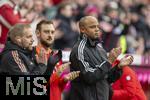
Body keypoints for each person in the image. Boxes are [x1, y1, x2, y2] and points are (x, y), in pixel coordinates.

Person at [69, 16, 134, 100]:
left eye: (97, 26)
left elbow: (106, 79)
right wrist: (109, 61)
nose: (97, 29)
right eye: (92, 27)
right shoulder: (79, 50)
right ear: (82, 30)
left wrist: (118, 67)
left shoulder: (100, 50)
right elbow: (89, 77)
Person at [35, 20, 80, 100]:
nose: (50, 35)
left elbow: (57, 87)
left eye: (52, 32)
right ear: (38, 33)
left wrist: (64, 80)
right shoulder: (32, 54)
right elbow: (36, 87)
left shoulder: (56, 55)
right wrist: (57, 73)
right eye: (46, 32)